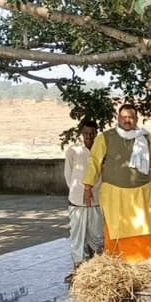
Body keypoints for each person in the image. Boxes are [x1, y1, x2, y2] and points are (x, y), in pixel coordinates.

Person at [82, 104, 151, 263]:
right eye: (124, 117)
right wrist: (87, 187)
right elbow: (94, 163)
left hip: (141, 194)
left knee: (144, 227)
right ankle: (118, 262)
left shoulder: (145, 138)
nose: (127, 120)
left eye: (131, 117)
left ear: (136, 119)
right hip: (114, 194)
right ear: (118, 118)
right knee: (116, 229)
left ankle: (146, 261)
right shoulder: (105, 137)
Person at [64, 120, 103, 281]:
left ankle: (96, 266)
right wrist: (77, 192)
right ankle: (78, 267)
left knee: (96, 234)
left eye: (92, 133)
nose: (89, 136)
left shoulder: (101, 150)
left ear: (96, 133)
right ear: (82, 133)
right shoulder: (73, 150)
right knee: (77, 236)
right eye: (86, 133)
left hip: (97, 199)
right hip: (77, 200)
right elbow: (68, 175)